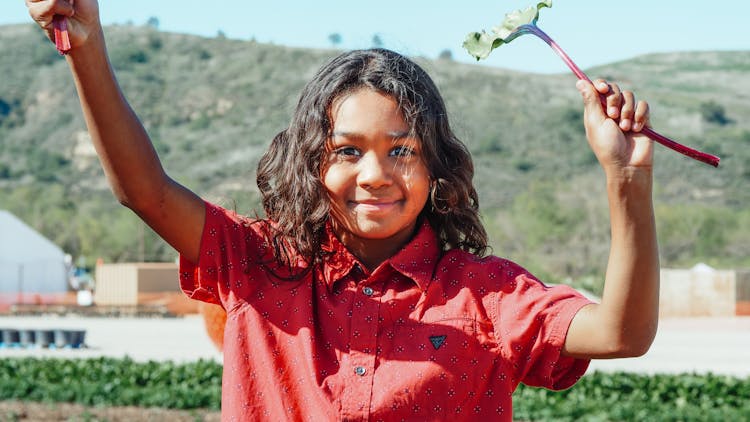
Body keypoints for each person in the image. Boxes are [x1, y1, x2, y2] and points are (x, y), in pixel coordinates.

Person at [26, 1, 659, 420]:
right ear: (311, 163)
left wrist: (626, 179)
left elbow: (621, 334)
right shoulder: (257, 265)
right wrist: (86, 44)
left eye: (402, 150)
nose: (375, 175)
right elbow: (145, 191)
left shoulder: (487, 296)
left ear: (437, 163)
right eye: (346, 151)